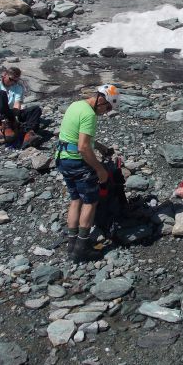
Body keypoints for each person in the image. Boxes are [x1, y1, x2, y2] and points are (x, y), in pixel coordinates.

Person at [56, 84, 120, 263]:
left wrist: (99, 146)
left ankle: (72, 243)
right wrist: (100, 169)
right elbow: (83, 147)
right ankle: (82, 248)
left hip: (62, 159)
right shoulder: (89, 115)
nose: (106, 112)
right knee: (90, 202)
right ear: (101, 99)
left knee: (75, 199)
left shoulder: (76, 105)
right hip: (77, 163)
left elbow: (78, 136)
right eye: (107, 107)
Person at [0, 67, 42, 148]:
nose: (13, 82)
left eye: (16, 80)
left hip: (10, 113)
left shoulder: (18, 87)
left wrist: (16, 118)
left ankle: (28, 133)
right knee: (1, 94)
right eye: (11, 79)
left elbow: (17, 104)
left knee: (35, 109)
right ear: (4, 75)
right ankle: (5, 124)